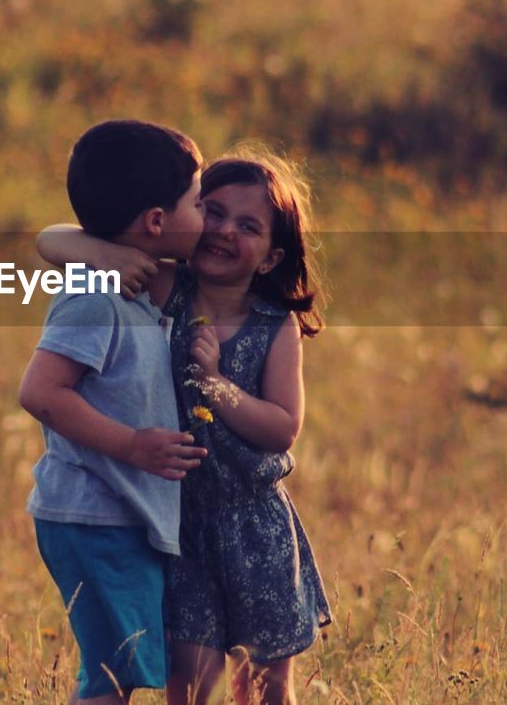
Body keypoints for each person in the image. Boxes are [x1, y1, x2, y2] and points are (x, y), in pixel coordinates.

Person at [38, 147, 331, 705]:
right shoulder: (162, 286)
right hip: (179, 527)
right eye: (212, 211)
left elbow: (282, 427)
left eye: (248, 226)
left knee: (267, 689)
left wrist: (215, 382)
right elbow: (50, 242)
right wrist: (102, 252)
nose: (222, 231)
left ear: (270, 258)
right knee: (194, 689)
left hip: (257, 528)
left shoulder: (276, 326)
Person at [19, 119, 210, 705]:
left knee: (120, 671)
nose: (208, 216)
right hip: (93, 511)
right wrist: (131, 445)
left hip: (119, 513)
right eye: (199, 202)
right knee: (110, 679)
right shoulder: (94, 292)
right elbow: (42, 393)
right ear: (156, 221)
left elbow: (52, 237)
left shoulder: (153, 278)